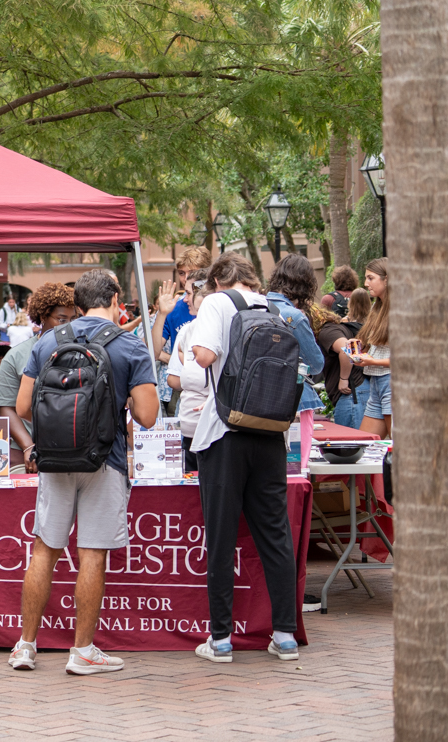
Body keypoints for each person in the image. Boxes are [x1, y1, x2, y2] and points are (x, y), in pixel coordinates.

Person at [9, 269, 157, 675]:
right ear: (114, 299)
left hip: (55, 461)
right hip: (105, 461)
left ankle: (24, 646)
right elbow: (147, 416)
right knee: (91, 554)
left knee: (44, 550)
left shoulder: (47, 342)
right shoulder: (130, 346)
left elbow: (22, 408)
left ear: (76, 305)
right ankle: (83, 652)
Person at [189, 252, 301, 663]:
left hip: (226, 433)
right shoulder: (270, 306)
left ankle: (220, 639)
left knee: (220, 537)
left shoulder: (217, 303)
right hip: (271, 433)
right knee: (275, 534)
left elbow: (203, 355)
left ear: (217, 280)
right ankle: (285, 634)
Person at [0, 282, 77, 472]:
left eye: (74, 319)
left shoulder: (84, 353)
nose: (69, 327)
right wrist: (29, 446)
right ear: (42, 316)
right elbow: (7, 407)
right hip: (26, 454)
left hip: (75, 450)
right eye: (62, 320)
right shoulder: (16, 356)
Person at [265, 256, 326, 463]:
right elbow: (317, 363)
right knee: (296, 468)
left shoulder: (253, 307)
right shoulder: (295, 317)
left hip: (259, 399)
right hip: (295, 400)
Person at [166, 272, 209, 467]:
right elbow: (174, 379)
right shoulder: (187, 331)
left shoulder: (227, 330)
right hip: (187, 431)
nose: (185, 299)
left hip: (213, 434)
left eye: (189, 293)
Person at [316, 289, 369, 430]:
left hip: (351, 393)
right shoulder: (362, 324)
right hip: (360, 388)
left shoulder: (329, 330)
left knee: (351, 445)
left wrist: (343, 379)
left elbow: (349, 348)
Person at [355, 258, 391, 439]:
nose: (365, 283)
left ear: (387, 279)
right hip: (376, 383)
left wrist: (373, 361)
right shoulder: (377, 308)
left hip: (392, 383)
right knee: (365, 448)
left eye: (370, 278)